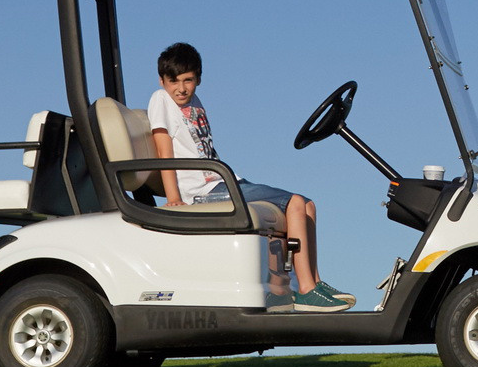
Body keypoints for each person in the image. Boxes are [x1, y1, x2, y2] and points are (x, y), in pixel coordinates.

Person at [145, 42, 353, 313]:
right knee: (294, 203)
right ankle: (305, 291)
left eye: (188, 80)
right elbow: (164, 150)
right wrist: (173, 198)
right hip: (202, 192)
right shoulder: (160, 100)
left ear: (198, 78)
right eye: (173, 81)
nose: (181, 88)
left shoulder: (195, 103)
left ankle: (315, 281)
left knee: (308, 204)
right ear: (162, 81)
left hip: (223, 181)